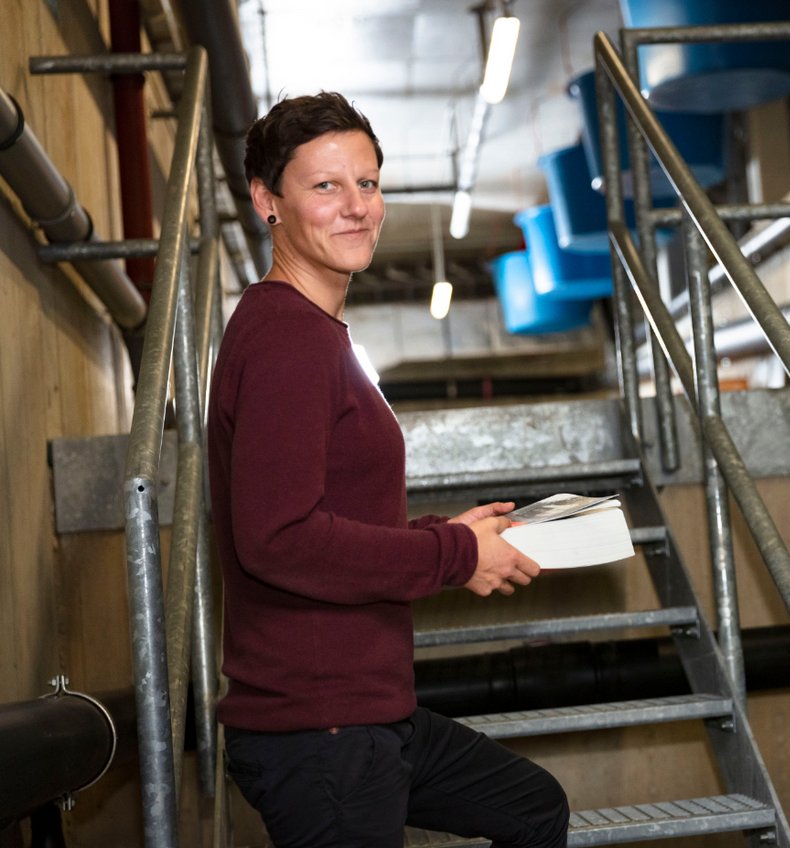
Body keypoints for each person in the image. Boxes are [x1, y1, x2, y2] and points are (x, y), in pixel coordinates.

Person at [206, 92, 569, 848]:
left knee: (532, 808)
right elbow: (277, 538)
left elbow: (328, 517)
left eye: (367, 183)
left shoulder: (312, 335)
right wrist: (456, 555)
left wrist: (447, 535)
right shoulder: (287, 339)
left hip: (368, 717)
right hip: (321, 730)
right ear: (268, 201)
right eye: (325, 186)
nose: (356, 207)